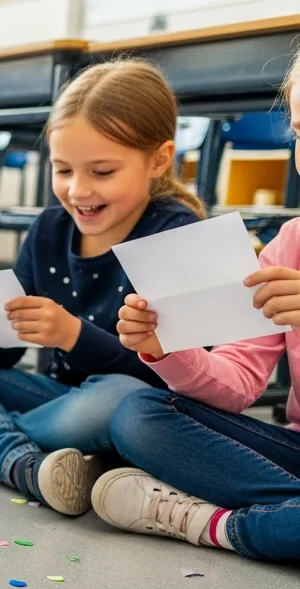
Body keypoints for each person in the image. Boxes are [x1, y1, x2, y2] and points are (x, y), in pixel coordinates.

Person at [0, 60, 207, 516]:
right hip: (57, 403)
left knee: (120, 399)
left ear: (158, 160)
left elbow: (177, 379)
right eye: (62, 170)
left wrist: (72, 335)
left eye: (101, 172)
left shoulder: (174, 232)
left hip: (131, 406)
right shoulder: (51, 228)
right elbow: (1, 355)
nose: (78, 190)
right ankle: (24, 462)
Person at [93, 52, 300, 561]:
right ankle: (277, 523)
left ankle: (212, 522)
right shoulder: (290, 243)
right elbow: (237, 384)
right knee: (140, 413)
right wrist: (169, 349)